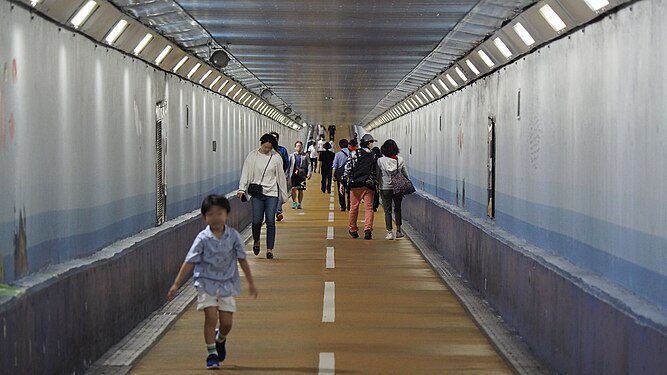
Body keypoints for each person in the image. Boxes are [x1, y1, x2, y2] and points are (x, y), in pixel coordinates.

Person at [167, 194, 258, 369]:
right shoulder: (202, 238)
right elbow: (190, 261)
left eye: (219, 213)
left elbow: (242, 260)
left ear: (227, 214)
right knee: (210, 317)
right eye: (210, 214)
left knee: (226, 322)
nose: (215, 218)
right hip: (206, 283)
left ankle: (220, 339)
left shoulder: (233, 237)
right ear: (204, 217)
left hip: (227, 284)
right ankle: (211, 354)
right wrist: (176, 284)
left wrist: (251, 282)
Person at [238, 133, 289, 259]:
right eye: (265, 147)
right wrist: (241, 189)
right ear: (261, 144)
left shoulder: (276, 157)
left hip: (272, 193)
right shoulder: (252, 156)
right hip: (257, 193)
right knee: (256, 221)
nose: (266, 150)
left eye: (269, 148)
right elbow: (245, 172)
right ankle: (256, 241)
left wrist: (283, 195)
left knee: (270, 221)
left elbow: (280, 177)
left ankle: (270, 249)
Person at [342, 133, 379, 240]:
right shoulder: (373, 155)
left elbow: (348, 168)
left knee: (353, 208)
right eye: (372, 142)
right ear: (368, 143)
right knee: (369, 208)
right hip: (368, 185)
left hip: (355, 185)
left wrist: (345, 182)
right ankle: (368, 230)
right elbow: (376, 170)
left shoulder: (354, 153)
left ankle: (353, 229)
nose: (372, 144)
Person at [377, 139, 409, 240]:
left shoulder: (380, 161)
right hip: (397, 188)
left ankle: (389, 232)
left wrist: (377, 186)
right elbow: (405, 174)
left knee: (387, 211)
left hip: (385, 188)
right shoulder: (400, 160)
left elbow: (378, 175)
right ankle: (399, 231)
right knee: (398, 208)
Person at [270, 132, 290, 222]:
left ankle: (278, 212)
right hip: (268, 177)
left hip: (279, 175)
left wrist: (283, 173)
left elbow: (286, 162)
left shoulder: (282, 150)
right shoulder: (265, 150)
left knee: (279, 195)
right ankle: (270, 212)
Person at [287, 141, 312, 209]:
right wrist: (287, 174)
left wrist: (309, 173)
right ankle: (294, 202)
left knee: (301, 189)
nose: (299, 147)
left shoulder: (305, 155)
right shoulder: (291, 155)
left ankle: (300, 203)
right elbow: (288, 165)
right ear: (295, 147)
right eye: (298, 146)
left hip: (302, 174)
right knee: (293, 188)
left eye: (300, 146)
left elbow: (309, 164)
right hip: (293, 174)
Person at [332, 139, 351, 211]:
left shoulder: (337, 154)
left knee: (341, 190)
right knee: (349, 190)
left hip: (340, 174)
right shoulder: (351, 153)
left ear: (340, 146)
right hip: (349, 174)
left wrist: (333, 175)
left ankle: (343, 206)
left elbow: (335, 166)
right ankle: (350, 203)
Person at [372, 146, 382, 212]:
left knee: (372, 191)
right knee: (377, 191)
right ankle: (376, 204)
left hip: (372, 177)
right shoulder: (380, 159)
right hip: (378, 178)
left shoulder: (371, 158)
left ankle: (372, 204)